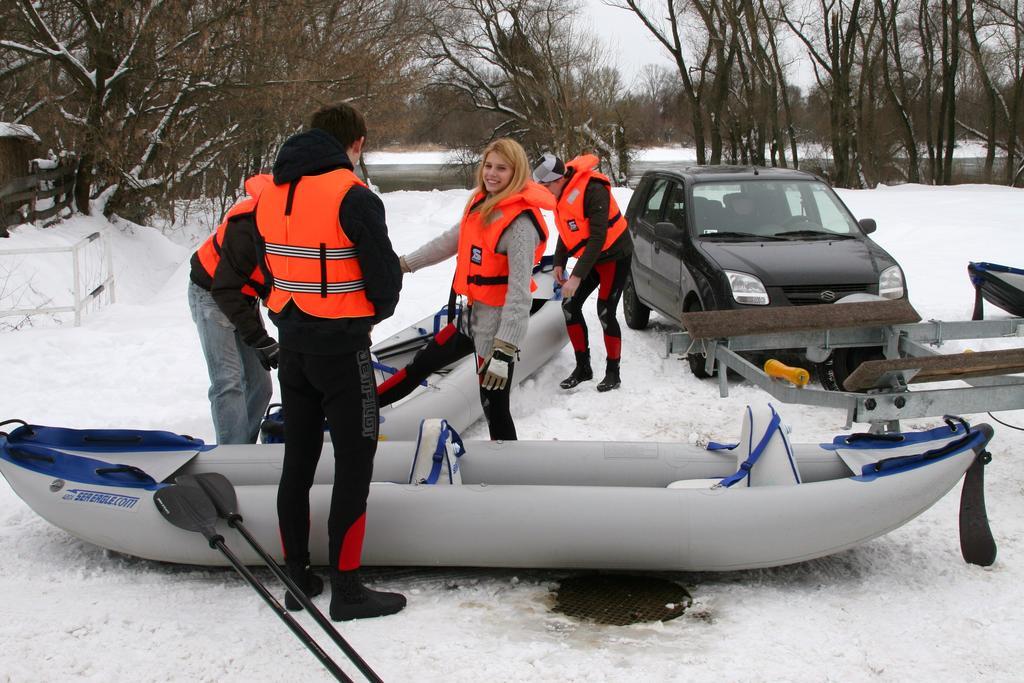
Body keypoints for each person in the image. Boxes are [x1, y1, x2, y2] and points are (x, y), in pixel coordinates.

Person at [209, 103, 405, 621]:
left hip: (292, 347)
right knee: (354, 464)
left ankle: (296, 576)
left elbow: (268, 266)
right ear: (356, 143)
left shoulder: (268, 194)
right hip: (342, 351)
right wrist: (367, 312)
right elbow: (384, 283)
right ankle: (348, 589)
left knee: (297, 464)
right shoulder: (353, 195)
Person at [378, 138, 553, 440]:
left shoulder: (520, 225)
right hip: (469, 320)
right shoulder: (482, 203)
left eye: (502, 168)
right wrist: (404, 264)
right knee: (420, 365)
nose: (492, 174)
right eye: (488, 166)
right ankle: (357, 410)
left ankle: (507, 472)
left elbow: (519, 294)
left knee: (495, 406)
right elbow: (449, 241)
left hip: (496, 334)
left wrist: (504, 352)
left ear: (517, 172)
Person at [532, 153, 633, 392]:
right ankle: (583, 368)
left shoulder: (593, 190)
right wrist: (559, 262)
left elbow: (598, 238)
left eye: (546, 187)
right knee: (569, 306)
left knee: (605, 311)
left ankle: (613, 372)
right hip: (591, 258)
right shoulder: (561, 193)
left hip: (614, 256)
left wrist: (576, 276)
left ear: (558, 180)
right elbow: (568, 231)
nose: (545, 192)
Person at [187, 175, 275, 445]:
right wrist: (261, 341)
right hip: (212, 295)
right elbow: (224, 290)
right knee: (228, 381)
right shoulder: (246, 228)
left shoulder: (291, 230)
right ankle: (231, 454)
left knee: (261, 386)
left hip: (244, 299)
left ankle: (243, 449)